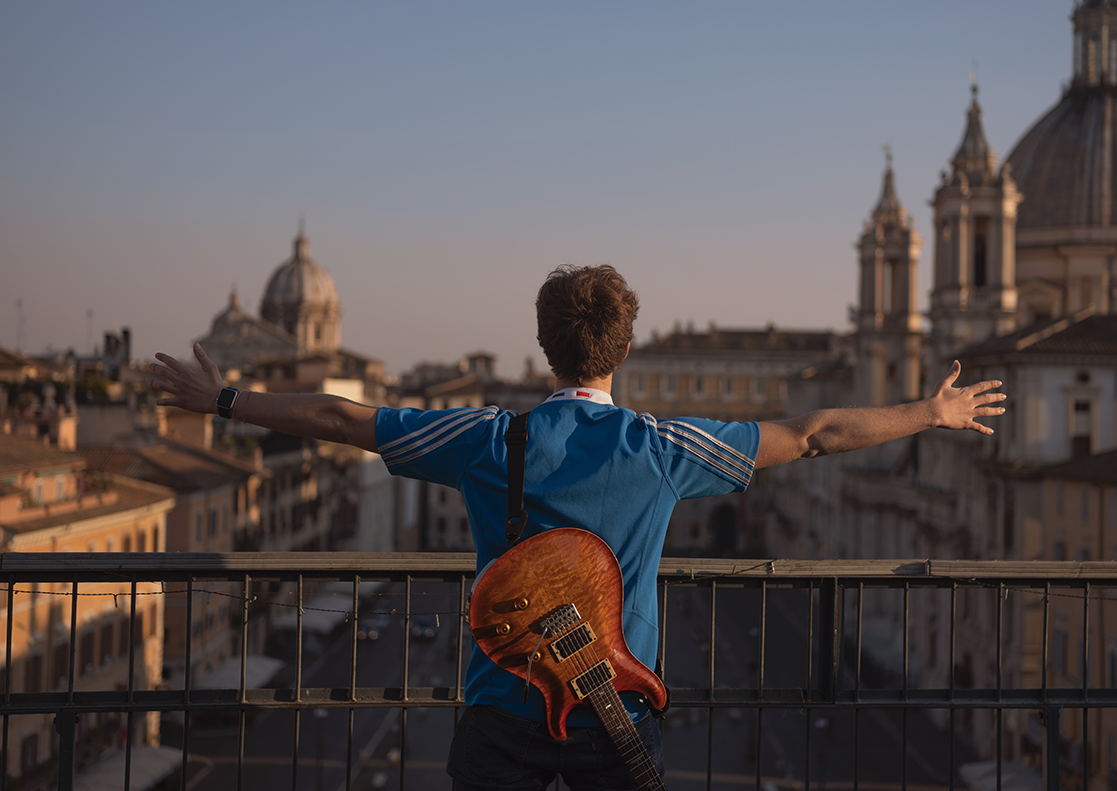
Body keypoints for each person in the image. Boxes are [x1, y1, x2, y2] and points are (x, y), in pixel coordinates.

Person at [149, 264, 1005, 791]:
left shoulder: (488, 437)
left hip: (499, 707)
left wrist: (223, 401)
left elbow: (342, 419)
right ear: (621, 350)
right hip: (615, 710)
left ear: (544, 345)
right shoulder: (662, 448)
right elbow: (818, 434)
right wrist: (930, 412)